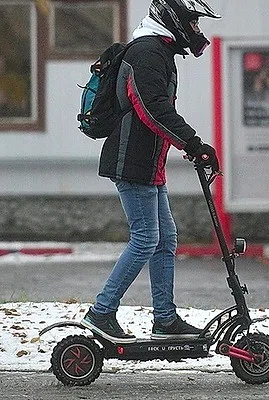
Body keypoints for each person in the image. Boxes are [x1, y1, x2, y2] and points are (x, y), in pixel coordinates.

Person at [81, 0, 222, 343]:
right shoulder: (147, 52)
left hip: (146, 162)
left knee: (165, 239)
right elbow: (150, 108)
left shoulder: (159, 51)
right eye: (193, 23)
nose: (196, 31)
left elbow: (154, 109)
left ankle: (165, 319)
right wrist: (193, 143)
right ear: (173, 20)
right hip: (132, 160)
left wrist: (189, 145)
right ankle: (101, 312)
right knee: (146, 238)